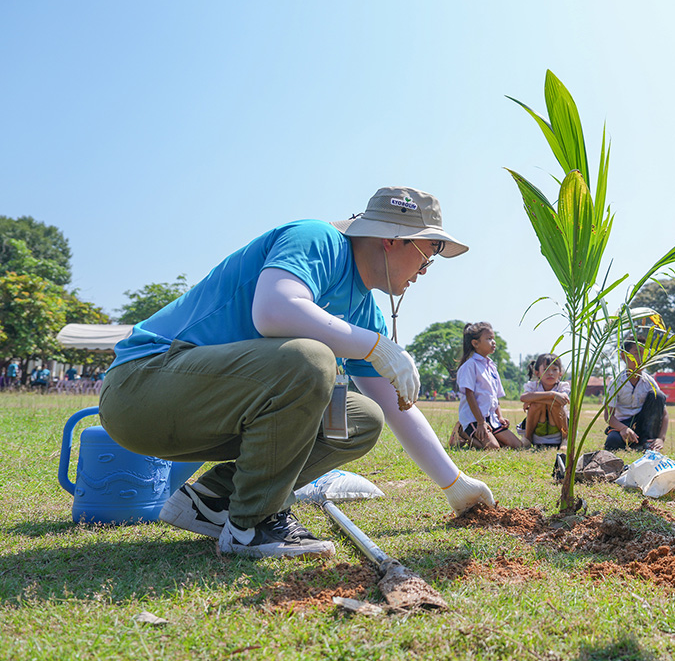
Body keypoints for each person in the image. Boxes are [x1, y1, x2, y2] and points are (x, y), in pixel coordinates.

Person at [99, 186, 495, 559]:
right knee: (310, 358)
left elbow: (395, 405)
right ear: (392, 239)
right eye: (428, 252)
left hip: (199, 408)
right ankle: (253, 525)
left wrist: (454, 483)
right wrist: (375, 346)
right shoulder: (317, 239)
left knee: (361, 419)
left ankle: (218, 500)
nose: (426, 269)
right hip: (142, 386)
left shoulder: (363, 310)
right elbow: (274, 310)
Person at [456, 321, 524, 450]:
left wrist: (500, 417)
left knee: (517, 445)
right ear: (475, 343)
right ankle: (463, 432)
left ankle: (487, 436)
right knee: (493, 447)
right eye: (489, 339)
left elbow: (495, 397)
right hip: (475, 419)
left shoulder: (491, 367)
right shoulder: (470, 365)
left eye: (493, 338)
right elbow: (469, 395)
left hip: (491, 419)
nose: (493, 342)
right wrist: (480, 422)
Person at [604, 336, 669, 452]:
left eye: (645, 354)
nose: (641, 358)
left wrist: (661, 438)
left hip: (644, 425)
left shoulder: (649, 382)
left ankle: (647, 441)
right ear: (624, 356)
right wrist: (623, 428)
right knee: (612, 442)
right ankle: (634, 442)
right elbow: (608, 417)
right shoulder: (616, 382)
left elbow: (664, 414)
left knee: (658, 395)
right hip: (622, 425)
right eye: (636, 353)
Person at [519, 353, 569, 449]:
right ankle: (528, 438)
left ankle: (565, 439)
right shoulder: (533, 386)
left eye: (554, 369)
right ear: (537, 373)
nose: (550, 373)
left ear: (560, 373)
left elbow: (563, 400)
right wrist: (552, 394)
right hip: (538, 427)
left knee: (555, 404)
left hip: (557, 427)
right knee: (536, 405)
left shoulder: (562, 386)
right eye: (546, 369)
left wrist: (533, 399)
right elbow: (523, 398)